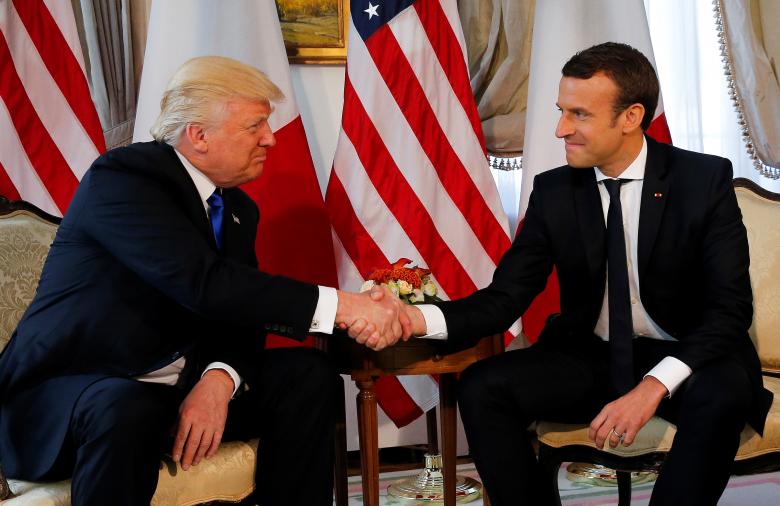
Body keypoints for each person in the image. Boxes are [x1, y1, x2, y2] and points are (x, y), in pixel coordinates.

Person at [353, 42, 773, 505]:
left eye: (579, 115)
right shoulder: (554, 192)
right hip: (593, 356)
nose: (561, 129)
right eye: (561, 111)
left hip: (690, 355)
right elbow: (505, 297)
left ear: (631, 117)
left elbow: (730, 309)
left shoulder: (701, 180)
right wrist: (415, 319)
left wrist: (654, 385)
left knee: (722, 395)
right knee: (483, 387)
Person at [0, 56, 409, 506]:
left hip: (166, 395)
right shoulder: (124, 178)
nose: (270, 138)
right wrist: (344, 306)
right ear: (198, 135)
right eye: (254, 126)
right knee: (125, 405)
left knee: (308, 376)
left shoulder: (237, 209)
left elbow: (240, 316)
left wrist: (219, 380)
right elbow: (204, 283)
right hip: (71, 394)